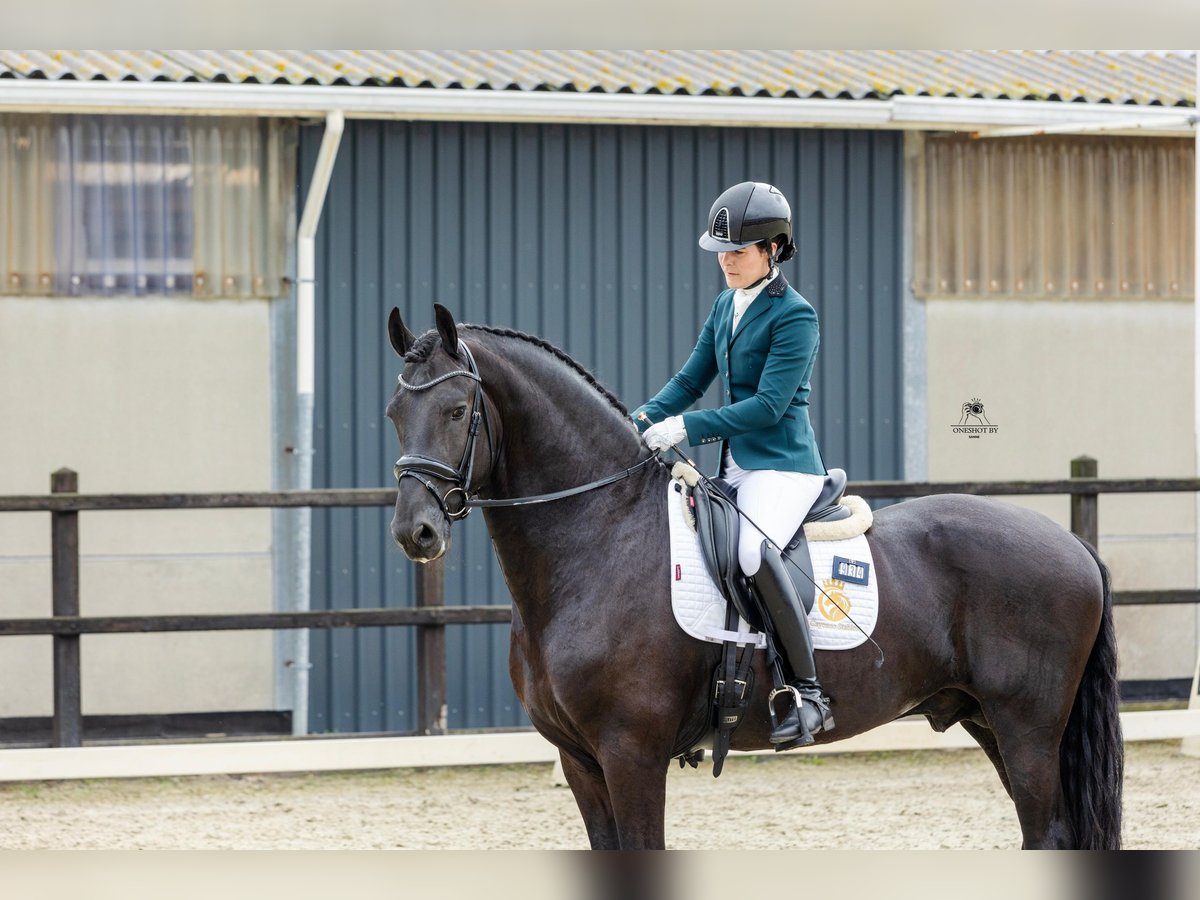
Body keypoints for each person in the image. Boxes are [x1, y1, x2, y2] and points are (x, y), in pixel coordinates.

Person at [632, 181, 834, 746]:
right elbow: (692, 379)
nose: (726, 261)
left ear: (774, 249)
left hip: (783, 465)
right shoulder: (726, 305)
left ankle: (809, 693)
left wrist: (687, 428)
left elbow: (770, 406)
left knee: (750, 549)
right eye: (721, 251)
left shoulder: (796, 317)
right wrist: (643, 417)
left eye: (738, 251)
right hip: (736, 464)